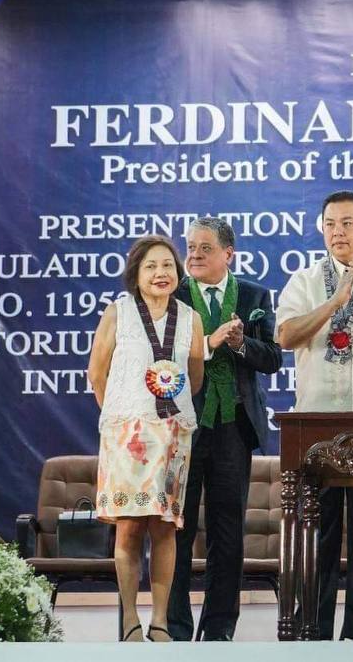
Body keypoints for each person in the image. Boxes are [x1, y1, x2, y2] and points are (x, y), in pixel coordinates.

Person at [276, 191, 353, 640]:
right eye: (330, 224)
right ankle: (315, 626)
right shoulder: (305, 280)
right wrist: (334, 302)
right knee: (317, 530)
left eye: (347, 223)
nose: (337, 232)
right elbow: (286, 336)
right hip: (318, 423)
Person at [166, 216, 283, 641]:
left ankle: (219, 629)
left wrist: (239, 343)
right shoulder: (173, 296)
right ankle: (175, 627)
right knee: (176, 530)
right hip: (183, 427)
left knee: (228, 531)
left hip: (234, 428)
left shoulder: (254, 295)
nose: (194, 255)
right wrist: (209, 342)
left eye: (205, 248)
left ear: (227, 254)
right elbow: (161, 358)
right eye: (190, 248)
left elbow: (272, 358)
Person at [88, 235, 205, 642]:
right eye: (151, 266)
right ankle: (129, 620)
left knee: (165, 528)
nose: (161, 273)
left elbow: (194, 377)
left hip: (172, 437)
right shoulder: (118, 312)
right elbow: (97, 373)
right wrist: (122, 414)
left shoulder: (190, 318)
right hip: (127, 437)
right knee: (129, 528)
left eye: (168, 265)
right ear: (135, 274)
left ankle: (159, 622)